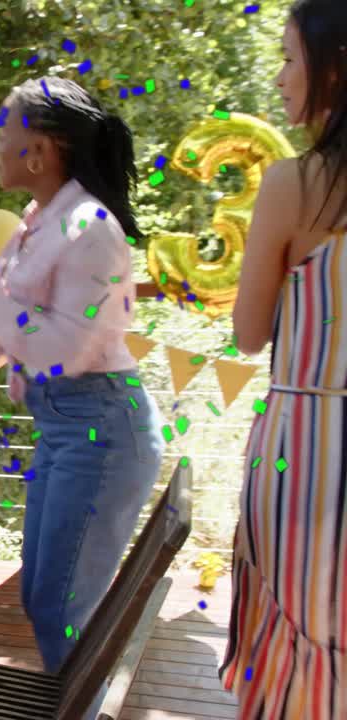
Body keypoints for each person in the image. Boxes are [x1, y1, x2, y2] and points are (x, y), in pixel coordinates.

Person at [0, 77, 166, 683]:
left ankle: (79, 705)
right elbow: (6, 334)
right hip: (67, 426)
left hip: (101, 430)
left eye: (3, 130)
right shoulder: (38, 222)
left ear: (40, 150)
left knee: (61, 610)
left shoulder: (90, 228)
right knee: (43, 597)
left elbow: (62, 349)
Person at [220, 1, 347, 717]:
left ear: (333, 69)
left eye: (289, 58)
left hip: (311, 453)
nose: (279, 77)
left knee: (301, 654)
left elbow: (248, 333)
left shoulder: (294, 185)